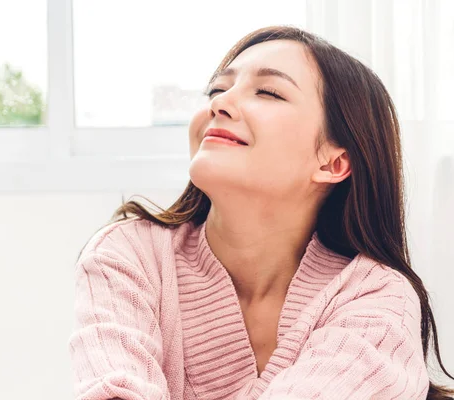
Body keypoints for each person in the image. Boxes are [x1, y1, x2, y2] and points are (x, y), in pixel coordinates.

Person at [68, 25, 454, 400]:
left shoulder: (374, 296)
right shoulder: (130, 254)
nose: (219, 103)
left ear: (333, 163)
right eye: (217, 89)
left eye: (268, 92)